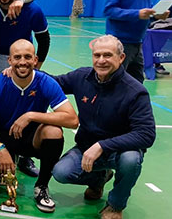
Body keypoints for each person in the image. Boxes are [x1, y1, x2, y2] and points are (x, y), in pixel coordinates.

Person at [50, 35, 156, 219]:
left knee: (131, 160)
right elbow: (53, 83)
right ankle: (99, 178)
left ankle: (115, 205)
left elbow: (146, 134)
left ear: (121, 58)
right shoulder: (82, 77)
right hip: (86, 148)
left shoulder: (135, 91)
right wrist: (25, 71)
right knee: (60, 172)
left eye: (107, 55)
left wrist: (102, 146)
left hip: (119, 152)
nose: (101, 61)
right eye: (96, 55)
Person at [0, 40, 78, 213]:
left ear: (35, 60)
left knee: (53, 131)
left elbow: (72, 120)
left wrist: (30, 116)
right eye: (17, 57)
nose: (22, 62)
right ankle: (7, 162)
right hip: (1, 136)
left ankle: (42, 186)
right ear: (10, 61)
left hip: (31, 138)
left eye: (27, 57)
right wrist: (0, 149)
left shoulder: (46, 83)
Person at [104, 0, 169, 83]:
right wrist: (137, 14)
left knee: (137, 84)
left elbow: (145, 10)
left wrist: (156, 14)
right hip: (120, 43)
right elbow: (109, 10)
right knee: (115, 83)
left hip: (138, 43)